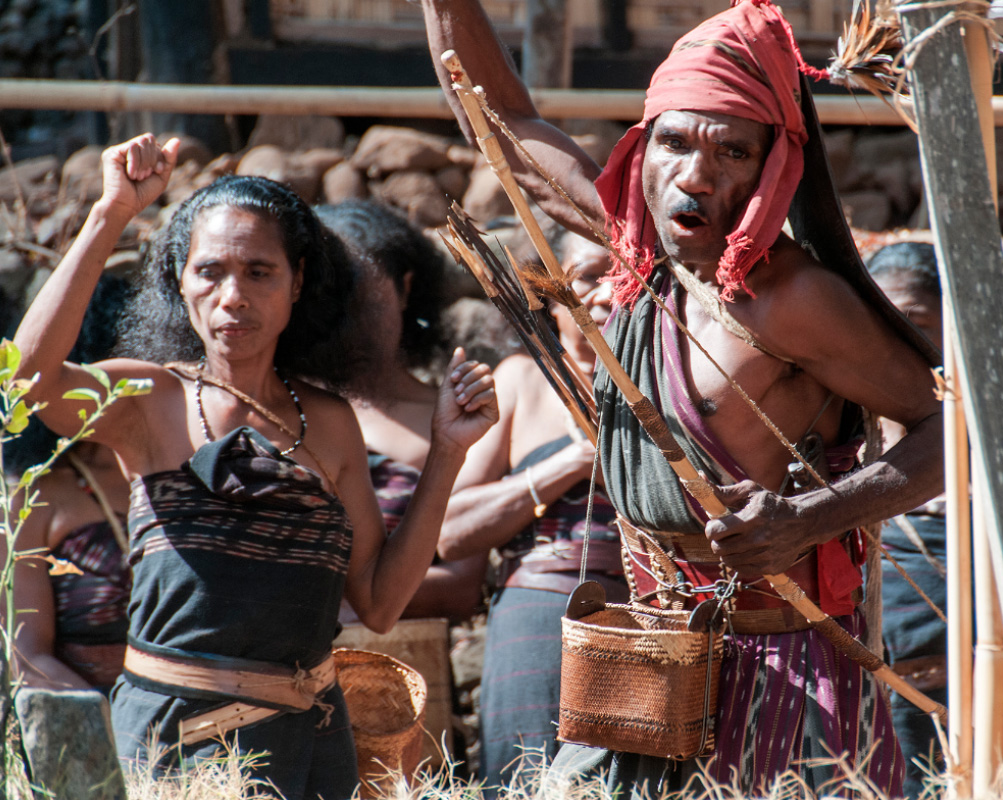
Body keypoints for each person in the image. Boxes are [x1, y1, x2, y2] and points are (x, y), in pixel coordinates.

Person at [423, 0, 946, 794]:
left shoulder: (792, 299)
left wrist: (811, 518)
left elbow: (956, 431)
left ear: (772, 168)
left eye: (731, 151)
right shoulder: (635, 248)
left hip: (782, 669)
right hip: (651, 664)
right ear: (642, 150)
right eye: (673, 142)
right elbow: (499, 121)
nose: (695, 176)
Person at [12, 133, 498, 800]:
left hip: (308, 747)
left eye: (259, 272)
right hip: (173, 744)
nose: (232, 296)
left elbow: (381, 605)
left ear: (298, 283)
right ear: (178, 281)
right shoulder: (150, 401)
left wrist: (448, 451)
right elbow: (30, 383)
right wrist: (111, 213)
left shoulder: (329, 423)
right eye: (209, 271)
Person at [441, 228, 621, 792]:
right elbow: (450, 532)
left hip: (652, 614)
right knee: (530, 780)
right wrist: (572, 460)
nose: (606, 293)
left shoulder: (677, 383)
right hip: (541, 610)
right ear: (550, 287)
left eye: (623, 275)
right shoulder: (522, 380)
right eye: (589, 275)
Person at [316, 199, 487, 624]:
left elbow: (460, 586)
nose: (347, 320)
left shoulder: (453, 423)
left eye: (366, 299)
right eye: (330, 301)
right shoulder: (277, 411)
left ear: (405, 288)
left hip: (405, 678)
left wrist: (304, 596)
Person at [9, 276, 135, 694]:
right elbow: (26, 658)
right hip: (91, 743)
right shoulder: (36, 498)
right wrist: (122, 733)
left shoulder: (188, 477)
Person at [867, 243, 949, 796]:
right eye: (882, 321)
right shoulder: (837, 450)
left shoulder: (991, 455)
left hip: (986, 704)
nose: (897, 339)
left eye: (916, 322)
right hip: (870, 713)